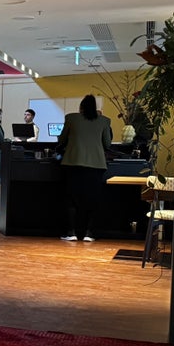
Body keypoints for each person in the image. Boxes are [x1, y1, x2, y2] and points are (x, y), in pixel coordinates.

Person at [57, 94, 112, 242]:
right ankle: (89, 233)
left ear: (80, 107)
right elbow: (107, 144)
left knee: (71, 198)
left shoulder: (71, 118)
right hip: (96, 165)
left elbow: (61, 140)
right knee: (92, 199)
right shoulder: (104, 121)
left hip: (73, 163)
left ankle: (71, 232)